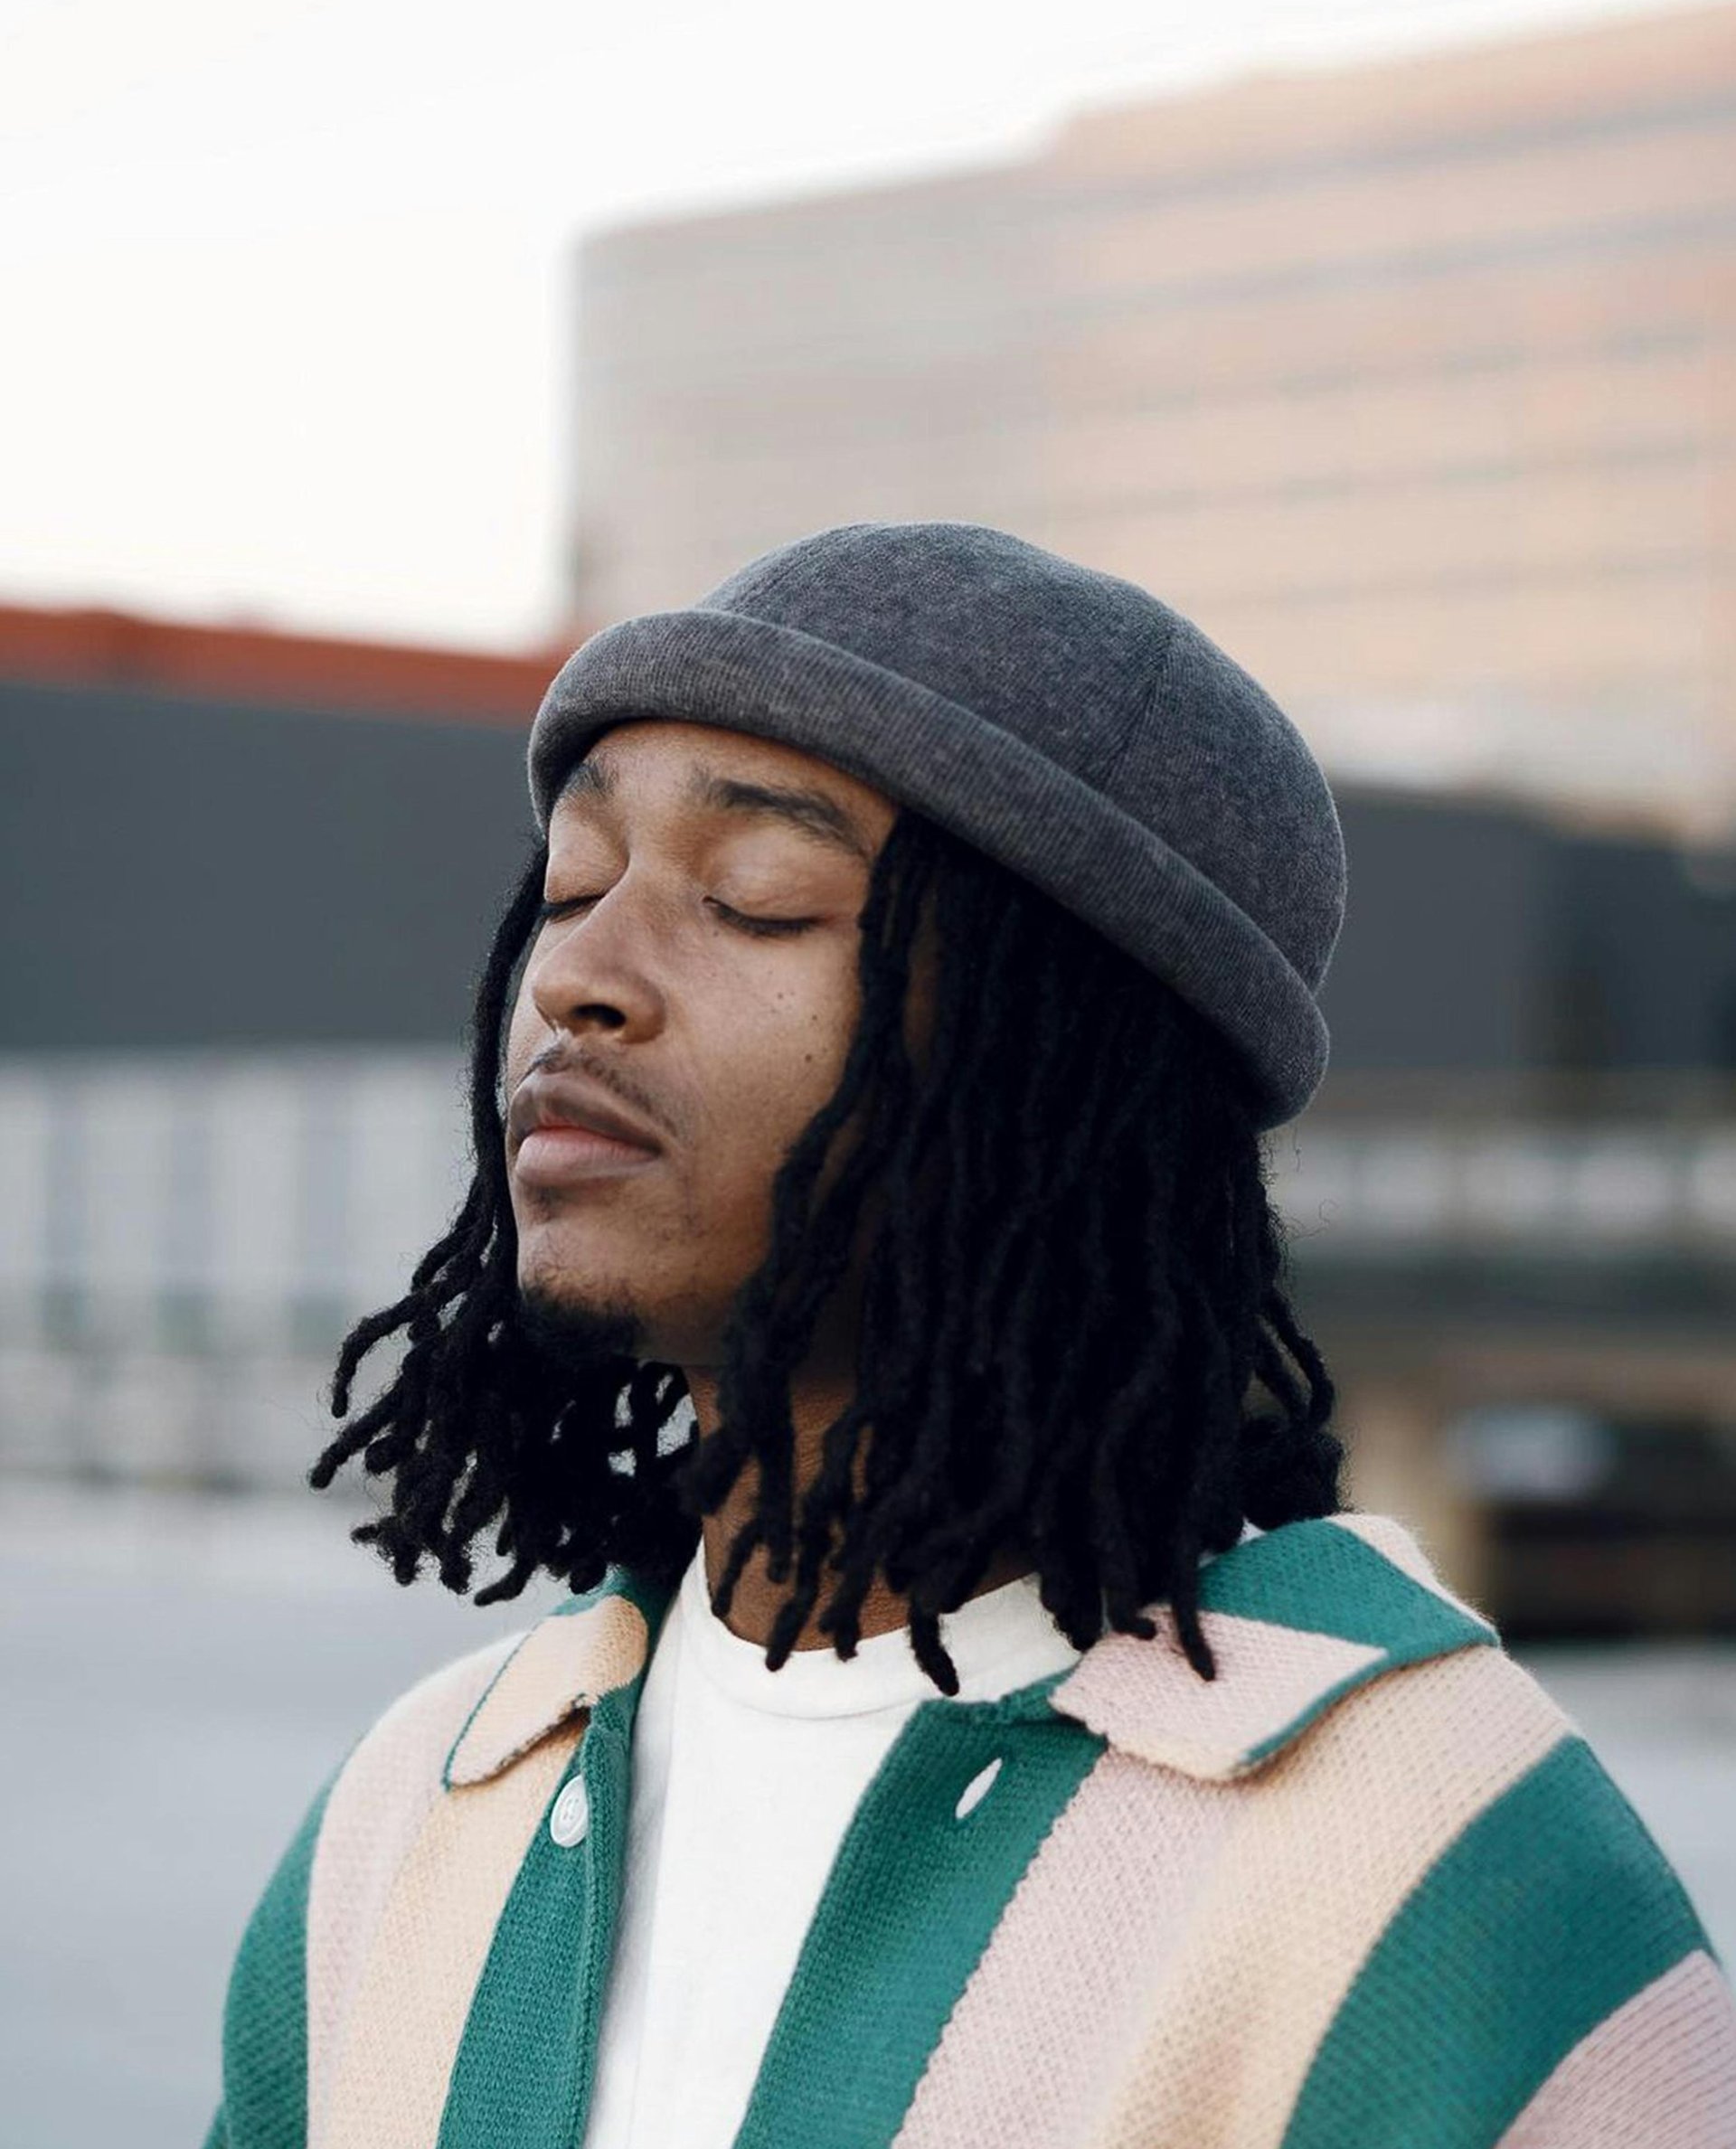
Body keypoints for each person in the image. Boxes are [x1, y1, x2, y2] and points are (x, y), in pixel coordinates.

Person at [204, 523, 1736, 2149]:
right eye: (576, 884)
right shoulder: (419, 1810)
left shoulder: (1446, 1880)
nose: (578, 970)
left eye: (751, 898)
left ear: (1068, 1061)